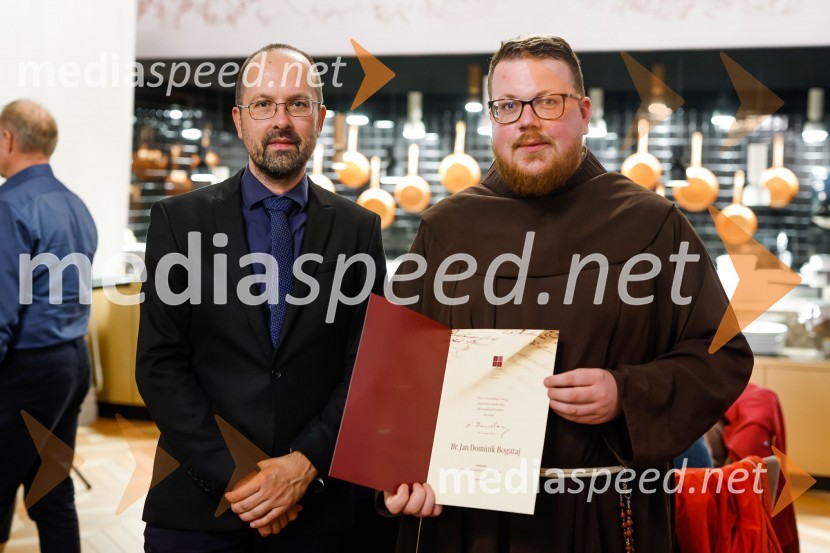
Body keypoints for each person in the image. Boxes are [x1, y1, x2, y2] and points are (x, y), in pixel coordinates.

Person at [383, 35, 753, 552]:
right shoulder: (446, 231)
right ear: (493, 118)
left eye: (547, 102)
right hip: (467, 520)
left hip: (602, 515)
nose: (526, 121)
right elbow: (394, 373)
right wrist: (401, 469)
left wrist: (626, 391)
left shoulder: (650, 224)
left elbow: (721, 354)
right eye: (508, 105)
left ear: (583, 112)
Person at [136, 44, 387, 552]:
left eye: (297, 104)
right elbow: (160, 364)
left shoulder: (359, 228)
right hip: (200, 507)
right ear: (239, 119)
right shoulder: (178, 222)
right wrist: (243, 481)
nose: (281, 120)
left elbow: (368, 366)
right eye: (263, 104)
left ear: (319, 118)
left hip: (323, 511)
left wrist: (302, 467)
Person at [0, 100, 98, 553]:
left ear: (8, 139)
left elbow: (2, 312)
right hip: (73, 364)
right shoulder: (75, 204)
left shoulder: (10, 206)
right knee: (51, 492)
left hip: (26, 369)